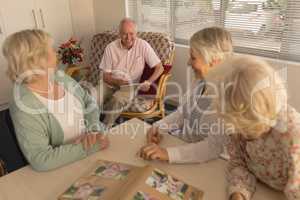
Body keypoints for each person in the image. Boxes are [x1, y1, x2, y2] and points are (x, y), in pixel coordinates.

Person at [3, 29, 109, 171]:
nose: (56, 53)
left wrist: (93, 130)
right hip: (67, 166)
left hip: (96, 147)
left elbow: (88, 101)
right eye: (52, 50)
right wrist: (90, 147)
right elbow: (41, 159)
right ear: (37, 59)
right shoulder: (24, 104)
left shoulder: (58, 76)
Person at [139, 27, 233, 163]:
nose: (188, 62)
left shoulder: (229, 98)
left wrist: (168, 154)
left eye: (193, 58)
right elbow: (183, 113)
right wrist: (158, 126)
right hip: (182, 145)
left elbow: (212, 147)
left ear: (214, 61)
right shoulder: (201, 81)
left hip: (208, 162)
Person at [218, 56, 300, 200]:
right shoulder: (238, 126)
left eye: (245, 128)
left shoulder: (292, 135)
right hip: (261, 187)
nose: (239, 133)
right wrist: (238, 193)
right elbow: (238, 162)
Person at [98, 18, 164, 128]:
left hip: (130, 86)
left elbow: (160, 68)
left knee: (117, 100)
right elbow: (105, 76)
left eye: (131, 34)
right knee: (94, 96)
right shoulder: (110, 48)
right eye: (124, 34)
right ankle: (86, 127)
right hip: (110, 83)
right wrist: (117, 81)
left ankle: (104, 129)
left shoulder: (143, 45)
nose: (128, 38)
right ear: (119, 34)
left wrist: (148, 82)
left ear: (136, 33)